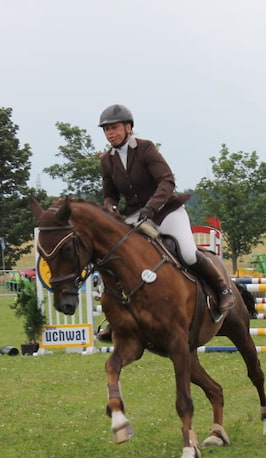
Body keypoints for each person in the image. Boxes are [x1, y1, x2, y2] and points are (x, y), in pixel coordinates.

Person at [96, 104, 234, 339]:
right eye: (106, 129)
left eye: (114, 128)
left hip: (166, 211)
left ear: (128, 127)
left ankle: (223, 289)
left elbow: (167, 180)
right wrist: (110, 206)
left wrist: (152, 206)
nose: (110, 133)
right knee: (118, 260)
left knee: (188, 253)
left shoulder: (146, 148)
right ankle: (116, 320)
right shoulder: (107, 161)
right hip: (135, 217)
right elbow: (110, 194)